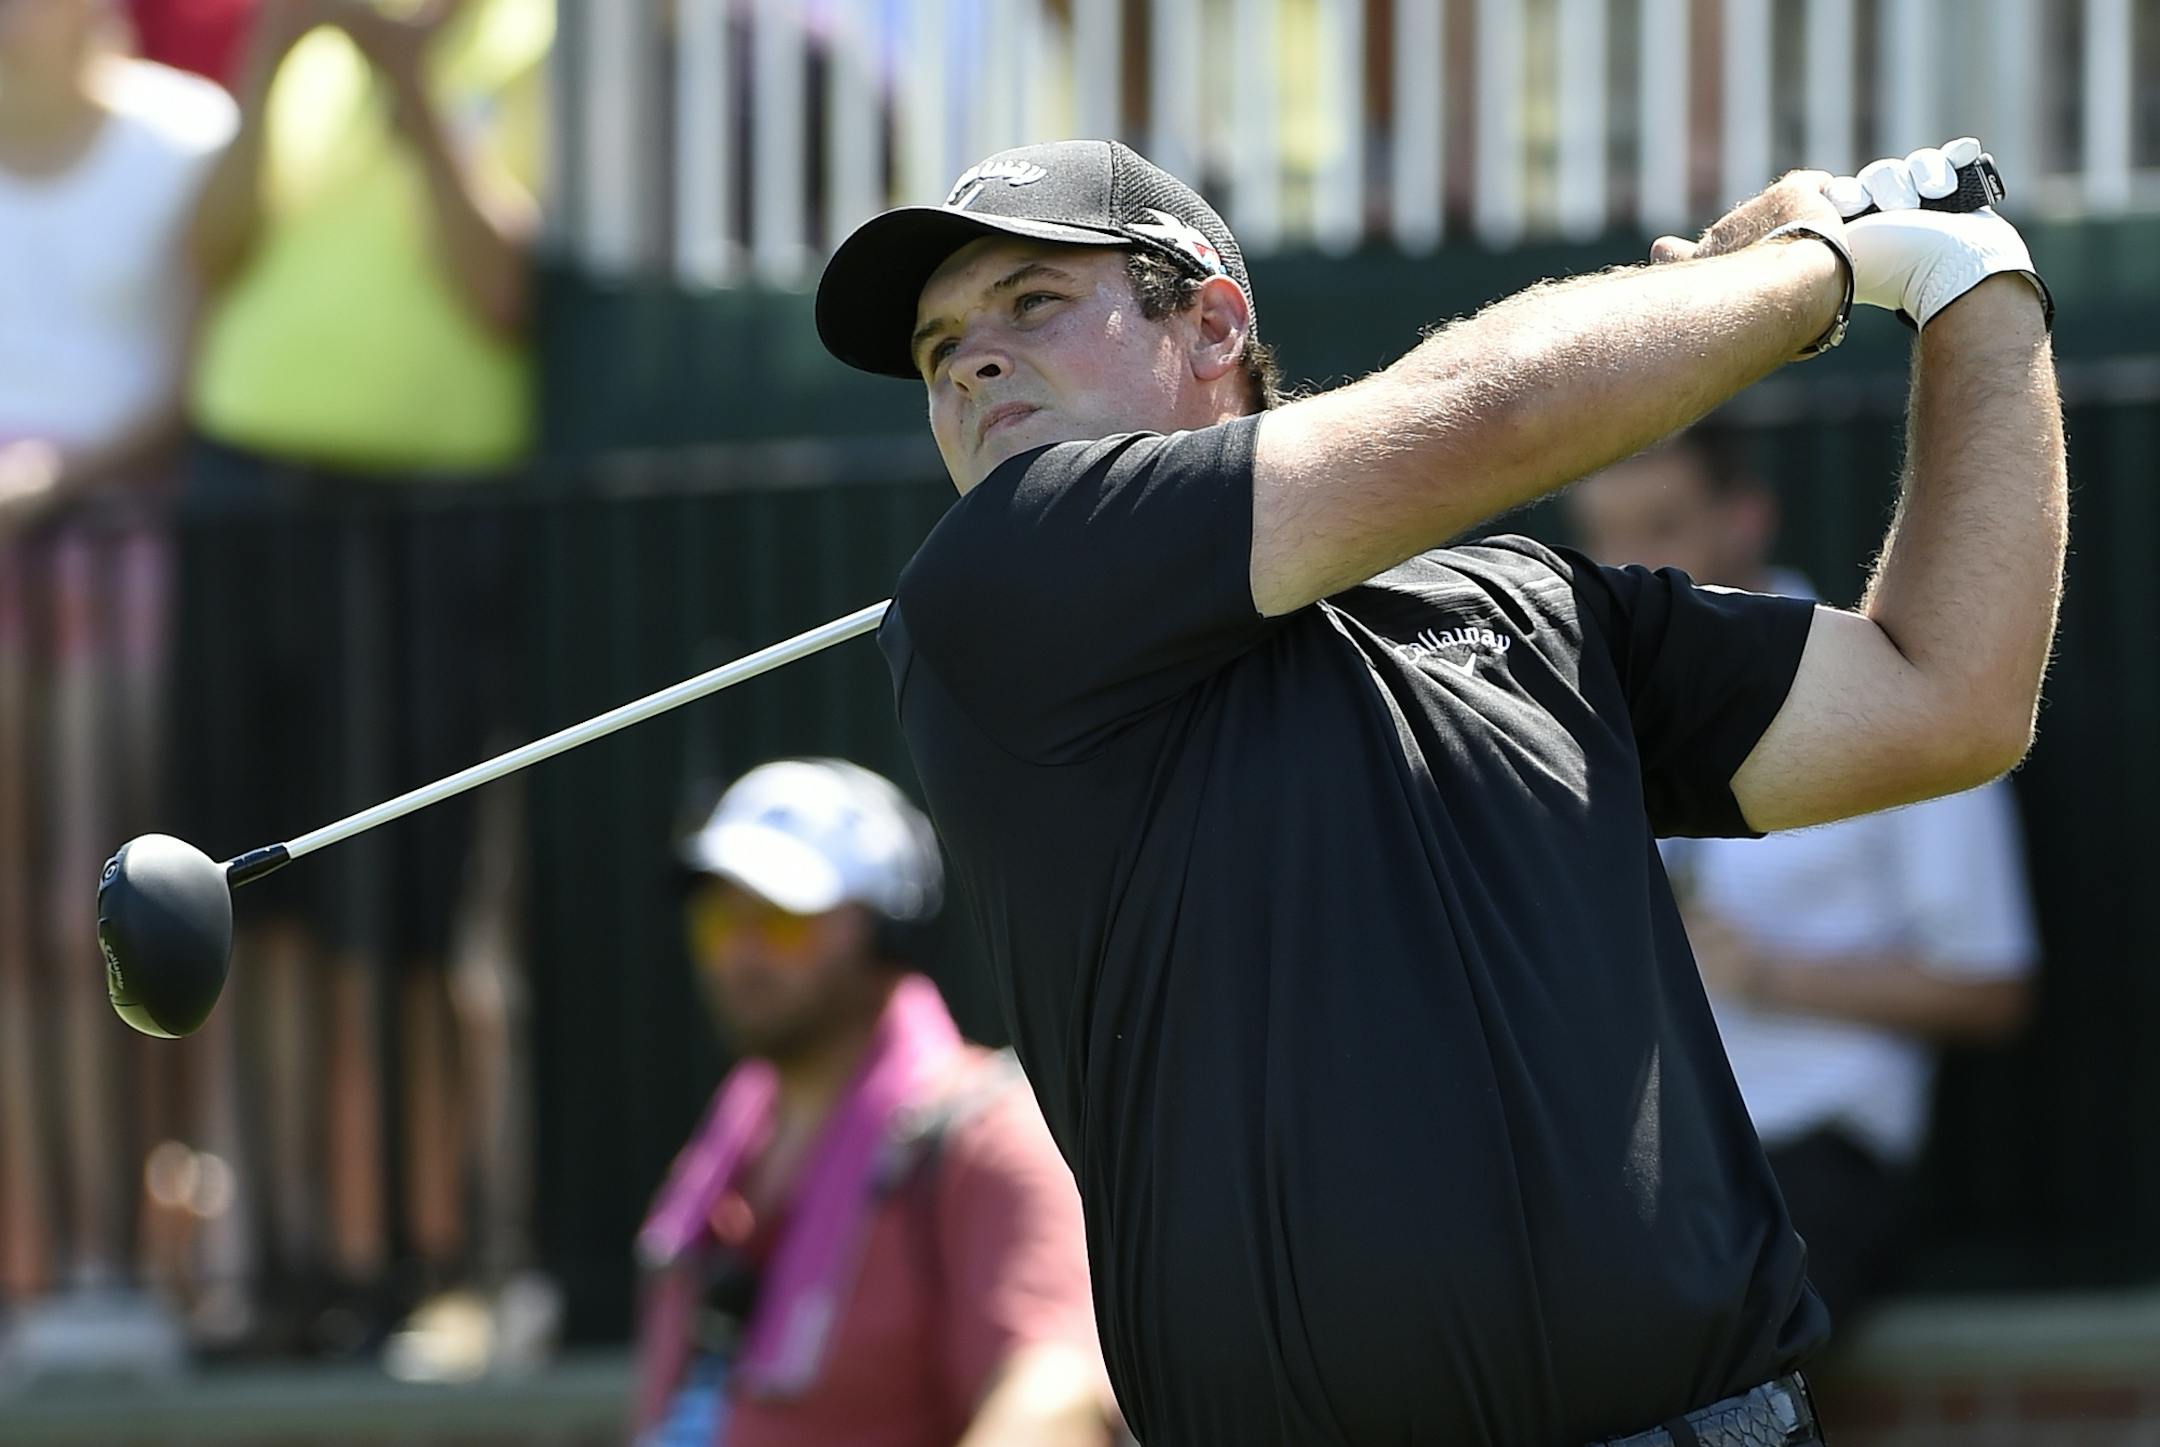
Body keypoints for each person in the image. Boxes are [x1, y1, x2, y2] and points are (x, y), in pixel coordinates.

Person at [808, 134, 2065, 1447]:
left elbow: (1949, 696)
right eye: (940, 346)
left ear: (1212, 322)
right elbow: (1496, 411)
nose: (970, 361)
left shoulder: (1523, 604)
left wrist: (1977, 283)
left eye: (1030, 302)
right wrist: (1819, 263)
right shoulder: (996, 583)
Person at [174, 0, 551, 1356]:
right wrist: (276, 56)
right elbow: (208, 255)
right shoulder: (295, 54)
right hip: (248, 510)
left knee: (413, 921)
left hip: (427, 527)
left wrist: (405, 77)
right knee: (256, 913)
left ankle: (433, 1257)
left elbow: (502, 288)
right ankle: (281, 1257)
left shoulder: (535, 44)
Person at [1567, 429, 2039, 1324]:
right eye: (1606, 537)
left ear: (1745, 519)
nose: (1629, 568)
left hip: (1814, 1162)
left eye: (1662, 526)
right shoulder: (1583, 710)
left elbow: (1993, 986)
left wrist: (1775, 976)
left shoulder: (1886, 693)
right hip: (1636, 1164)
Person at [633, 758, 1117, 1447]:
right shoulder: (722, 1157)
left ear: (885, 930)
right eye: (716, 919)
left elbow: (1058, 1398)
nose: (737, 951)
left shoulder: (985, 1138)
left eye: (779, 918)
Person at [0, 0, 234, 1332]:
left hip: (120, 562)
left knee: (90, 921)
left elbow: (195, 379)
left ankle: (123, 1257)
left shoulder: (185, 139)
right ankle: (46, 1259)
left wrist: (52, 481)